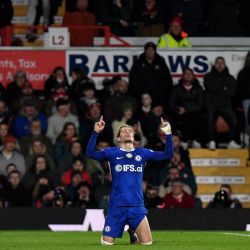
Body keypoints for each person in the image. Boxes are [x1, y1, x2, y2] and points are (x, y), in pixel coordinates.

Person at [86, 115, 173, 245]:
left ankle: (133, 231)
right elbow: (90, 153)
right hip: (117, 206)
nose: (127, 132)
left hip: (136, 206)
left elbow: (168, 154)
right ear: (119, 138)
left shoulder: (143, 153)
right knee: (106, 244)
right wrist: (95, 132)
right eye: (124, 131)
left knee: (147, 243)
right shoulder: (112, 153)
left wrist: (168, 133)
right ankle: (130, 231)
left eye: (130, 131)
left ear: (134, 136)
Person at [204, 57, 240, 149]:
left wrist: (218, 88)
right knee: (210, 119)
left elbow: (231, 93)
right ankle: (211, 141)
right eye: (218, 63)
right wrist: (223, 87)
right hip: (212, 104)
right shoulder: (208, 76)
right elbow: (210, 88)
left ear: (225, 64)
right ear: (214, 64)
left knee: (234, 120)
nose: (220, 65)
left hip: (225, 105)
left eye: (222, 63)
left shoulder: (230, 77)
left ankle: (231, 141)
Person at [129, 42, 172, 110]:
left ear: (155, 51)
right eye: (148, 50)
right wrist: (139, 94)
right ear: (145, 51)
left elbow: (167, 80)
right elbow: (133, 79)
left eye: (152, 50)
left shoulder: (160, 62)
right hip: (142, 98)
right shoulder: (138, 62)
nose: (150, 52)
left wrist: (162, 95)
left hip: (158, 99)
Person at [170, 68, 203, 148]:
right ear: (182, 76)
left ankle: (196, 141)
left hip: (194, 112)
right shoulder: (176, 88)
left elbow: (200, 105)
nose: (188, 76)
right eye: (186, 74)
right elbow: (171, 103)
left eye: (190, 74)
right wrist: (178, 109)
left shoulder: (198, 88)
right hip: (180, 112)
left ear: (193, 76)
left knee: (200, 117)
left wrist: (186, 109)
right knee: (182, 118)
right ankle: (185, 140)